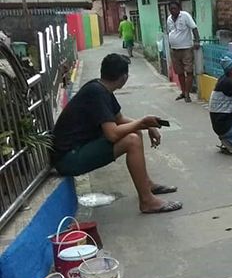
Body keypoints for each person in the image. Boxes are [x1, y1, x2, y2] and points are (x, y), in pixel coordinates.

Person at [52, 53, 182, 214]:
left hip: (76, 149)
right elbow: (112, 134)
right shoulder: (97, 93)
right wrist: (142, 122)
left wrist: (146, 126)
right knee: (132, 141)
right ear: (124, 77)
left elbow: (119, 119)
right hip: (68, 158)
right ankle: (147, 201)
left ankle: (146, 185)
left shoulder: (100, 88)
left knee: (134, 133)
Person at [166, 1, 200, 103]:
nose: (173, 10)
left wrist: (197, 41)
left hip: (186, 49)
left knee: (189, 71)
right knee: (180, 73)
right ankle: (183, 92)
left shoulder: (185, 16)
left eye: (174, 8)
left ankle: (187, 94)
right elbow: (170, 32)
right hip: (174, 50)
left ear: (179, 8)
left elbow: (194, 28)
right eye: (171, 9)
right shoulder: (169, 19)